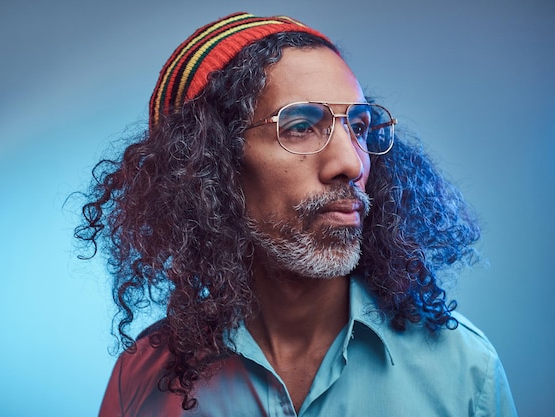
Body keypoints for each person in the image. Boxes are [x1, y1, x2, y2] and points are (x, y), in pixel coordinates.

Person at [76, 12, 517, 417]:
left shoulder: (464, 371)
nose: (353, 163)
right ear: (208, 169)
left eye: (359, 127)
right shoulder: (142, 381)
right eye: (301, 126)